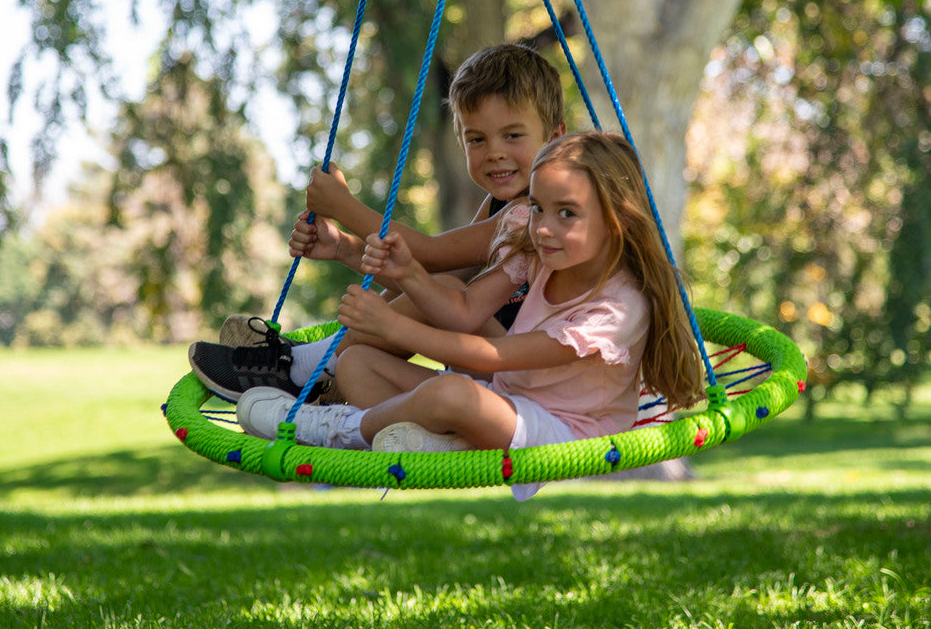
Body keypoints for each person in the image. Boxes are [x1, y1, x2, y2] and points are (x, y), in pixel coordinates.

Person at [232, 132, 706, 497]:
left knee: (454, 394)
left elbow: (494, 354)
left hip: (565, 434)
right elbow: (463, 310)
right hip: (507, 400)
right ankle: (444, 442)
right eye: (538, 207)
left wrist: (393, 325)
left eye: (567, 214)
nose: (543, 227)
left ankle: (334, 430)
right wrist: (412, 275)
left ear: (617, 218)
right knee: (359, 364)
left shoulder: (619, 307)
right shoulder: (539, 252)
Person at [188, 43, 566, 400]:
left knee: (445, 288)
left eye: (512, 135)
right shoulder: (499, 204)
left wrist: (344, 207)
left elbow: (432, 257)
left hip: (522, 372)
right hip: (486, 372)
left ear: (556, 137)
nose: (495, 153)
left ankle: (298, 371)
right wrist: (344, 248)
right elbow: (422, 278)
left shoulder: (534, 213)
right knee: (370, 352)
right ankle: (322, 373)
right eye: (477, 140)